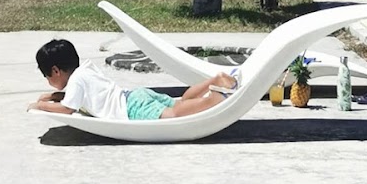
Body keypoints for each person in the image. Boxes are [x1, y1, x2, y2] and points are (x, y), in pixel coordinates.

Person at [28, 39, 238, 122]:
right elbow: (79, 97)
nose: (48, 80)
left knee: (174, 114)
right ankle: (215, 80)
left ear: (55, 71)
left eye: (47, 76)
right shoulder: (84, 71)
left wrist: (41, 105)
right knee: (180, 102)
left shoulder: (76, 82)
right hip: (134, 96)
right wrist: (55, 95)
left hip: (131, 109)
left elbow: (67, 109)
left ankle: (215, 98)